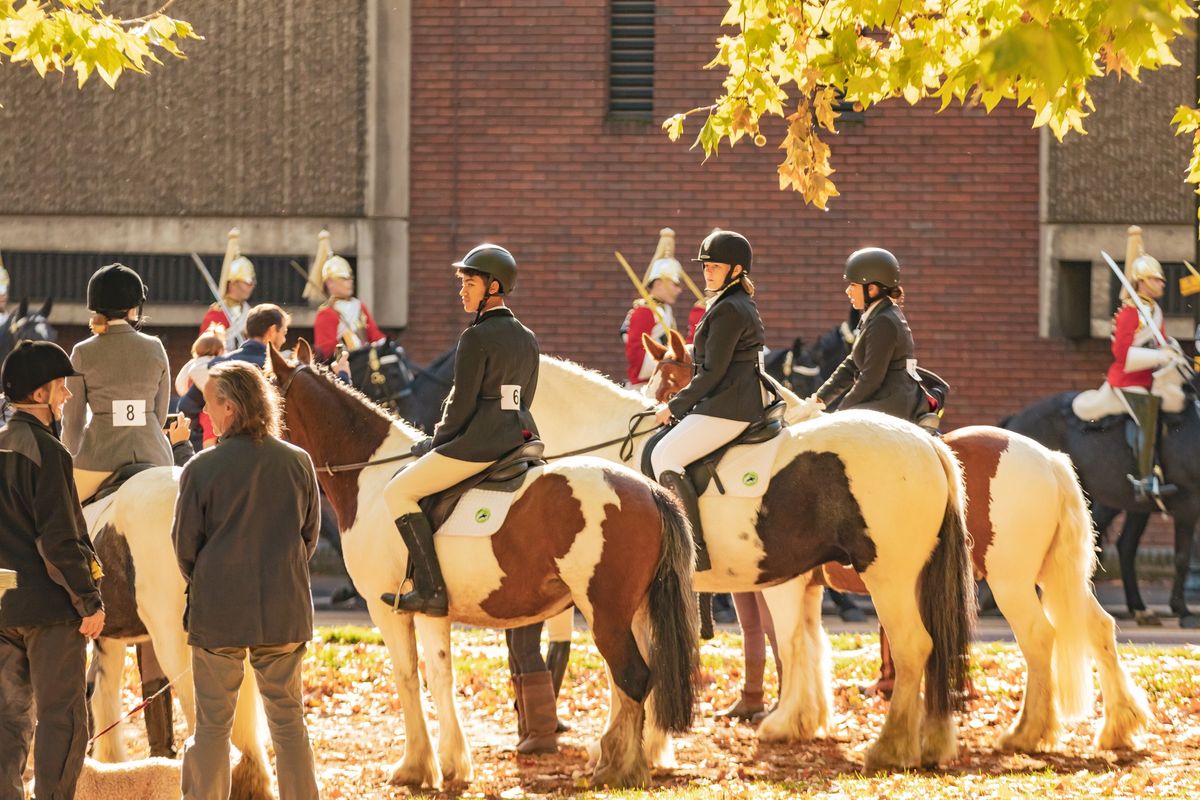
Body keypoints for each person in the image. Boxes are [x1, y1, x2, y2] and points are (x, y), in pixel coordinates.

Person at [171, 361, 321, 800]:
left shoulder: (201, 468)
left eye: (212, 404)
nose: (205, 413)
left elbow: (184, 546)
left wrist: (205, 581)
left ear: (232, 408)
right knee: (289, 720)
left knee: (213, 725)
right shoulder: (298, 462)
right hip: (284, 608)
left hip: (218, 612)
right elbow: (308, 538)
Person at [0, 340, 106, 800]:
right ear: (39, 395)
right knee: (63, 719)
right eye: (61, 387)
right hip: (51, 609)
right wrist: (90, 599)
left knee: (7, 718)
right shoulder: (50, 451)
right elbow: (59, 541)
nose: (66, 396)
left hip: (3, 606)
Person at [650, 230, 768, 573]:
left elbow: (713, 372)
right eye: (706, 266)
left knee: (665, 454)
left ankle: (693, 550)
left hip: (729, 406)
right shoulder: (728, 303)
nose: (708, 272)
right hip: (724, 401)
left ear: (736, 271)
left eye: (715, 266)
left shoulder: (730, 308)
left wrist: (674, 406)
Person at [62, 263, 174, 502]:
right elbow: (160, 414)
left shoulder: (82, 352)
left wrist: (71, 456)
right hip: (154, 456)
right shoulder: (155, 347)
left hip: (98, 461)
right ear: (134, 309)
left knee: (64, 518)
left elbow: (72, 421)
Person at [813, 248, 929, 421]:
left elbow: (871, 379)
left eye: (853, 285)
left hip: (890, 405)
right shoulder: (876, 315)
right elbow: (852, 364)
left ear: (872, 289)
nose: (847, 291)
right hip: (881, 400)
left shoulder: (884, 322)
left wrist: (839, 413)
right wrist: (819, 398)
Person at [179, 304, 290, 448]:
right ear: (272, 331)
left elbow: (187, 406)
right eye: (284, 332)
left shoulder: (218, 364)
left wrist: (209, 442)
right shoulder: (280, 371)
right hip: (267, 452)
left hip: (222, 451)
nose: (284, 339)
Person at [305, 230, 385, 362]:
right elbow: (326, 352)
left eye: (350, 278)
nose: (350, 282)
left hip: (366, 362)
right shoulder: (326, 313)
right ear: (330, 282)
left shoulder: (359, 306)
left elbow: (374, 334)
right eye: (344, 278)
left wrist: (386, 344)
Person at [621, 228, 684, 386]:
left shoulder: (665, 310)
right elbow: (636, 352)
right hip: (646, 384)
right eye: (674, 284)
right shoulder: (644, 311)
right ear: (658, 283)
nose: (678, 289)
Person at [199, 228, 256, 352]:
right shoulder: (216, 313)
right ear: (233, 284)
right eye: (247, 282)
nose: (252, 286)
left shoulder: (250, 313)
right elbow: (206, 349)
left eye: (252, 282)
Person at [175, 328, 226, 451]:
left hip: (191, 410)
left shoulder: (190, 365)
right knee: (210, 444)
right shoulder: (211, 367)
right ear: (219, 351)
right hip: (207, 409)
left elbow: (180, 385)